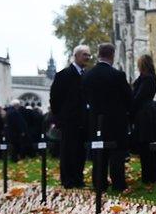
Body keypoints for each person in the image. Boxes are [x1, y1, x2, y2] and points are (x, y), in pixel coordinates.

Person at [82, 43, 133, 192]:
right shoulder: (117, 75)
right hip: (116, 122)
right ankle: (118, 183)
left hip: (95, 122)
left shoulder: (88, 75)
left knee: (99, 153)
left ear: (98, 54)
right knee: (117, 154)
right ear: (112, 55)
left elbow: (84, 98)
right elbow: (128, 98)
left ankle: (99, 183)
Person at [49, 44, 90, 188]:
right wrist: (58, 119)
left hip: (82, 121)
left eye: (89, 55)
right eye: (85, 54)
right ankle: (67, 180)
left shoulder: (86, 75)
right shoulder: (63, 75)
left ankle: (78, 178)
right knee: (68, 151)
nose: (88, 57)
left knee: (80, 152)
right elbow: (55, 99)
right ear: (76, 56)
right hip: (68, 121)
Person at [129, 54, 156, 183]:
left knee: (146, 145)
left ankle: (150, 175)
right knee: (145, 145)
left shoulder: (148, 79)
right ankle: (150, 174)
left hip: (144, 114)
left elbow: (138, 97)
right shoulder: (146, 78)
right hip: (144, 113)